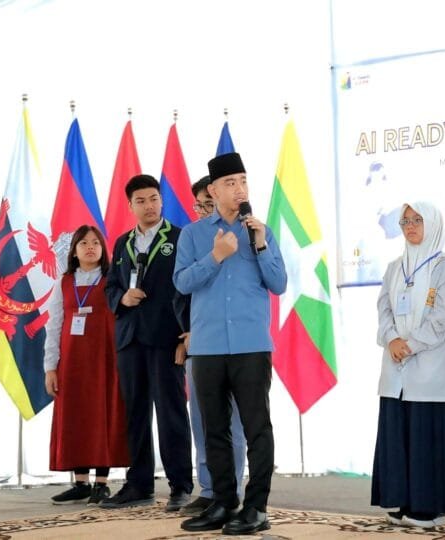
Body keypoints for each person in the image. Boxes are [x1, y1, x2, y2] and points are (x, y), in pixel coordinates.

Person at [174, 152, 287, 535]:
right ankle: (223, 502)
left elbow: (279, 283)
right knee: (214, 429)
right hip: (206, 348)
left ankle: (256, 508)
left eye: (243, 181)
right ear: (213, 190)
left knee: (257, 428)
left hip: (251, 345)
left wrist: (259, 244)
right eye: (230, 183)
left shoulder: (261, 231)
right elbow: (182, 283)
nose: (239, 189)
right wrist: (216, 257)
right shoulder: (192, 235)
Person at [371, 202, 445, 529]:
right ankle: (402, 500)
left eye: (417, 220)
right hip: (395, 368)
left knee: (425, 435)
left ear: (433, 224)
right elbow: (383, 308)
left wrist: (408, 345)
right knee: (399, 433)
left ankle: (429, 507)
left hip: (429, 370)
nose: (410, 227)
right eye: (405, 221)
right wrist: (391, 339)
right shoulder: (395, 267)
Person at [102, 174, 193, 511]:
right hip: (130, 339)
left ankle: (181, 484)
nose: (149, 205)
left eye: (154, 198)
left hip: (167, 338)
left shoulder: (181, 238)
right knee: (134, 413)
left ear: (161, 200)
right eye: (141, 201)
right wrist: (122, 298)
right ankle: (138, 483)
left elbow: (189, 289)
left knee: (171, 413)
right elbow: (110, 286)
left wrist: (187, 333)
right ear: (130, 206)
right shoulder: (122, 242)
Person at [43, 225, 128, 506]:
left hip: (105, 359)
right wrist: (50, 366)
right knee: (76, 416)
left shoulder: (113, 280)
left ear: (103, 250)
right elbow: (54, 325)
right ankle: (80, 483)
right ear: (74, 250)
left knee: (103, 414)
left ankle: (101, 483)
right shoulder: (64, 282)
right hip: (72, 363)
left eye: (96, 243)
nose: (90, 247)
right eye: (83, 243)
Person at [179, 175, 248, 517]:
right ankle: (208, 488)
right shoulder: (191, 238)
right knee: (203, 422)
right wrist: (185, 333)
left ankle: (230, 489)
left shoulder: (248, 235)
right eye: (199, 206)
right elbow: (181, 291)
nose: (203, 211)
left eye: (207, 205)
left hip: (238, 348)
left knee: (232, 424)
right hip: (198, 346)